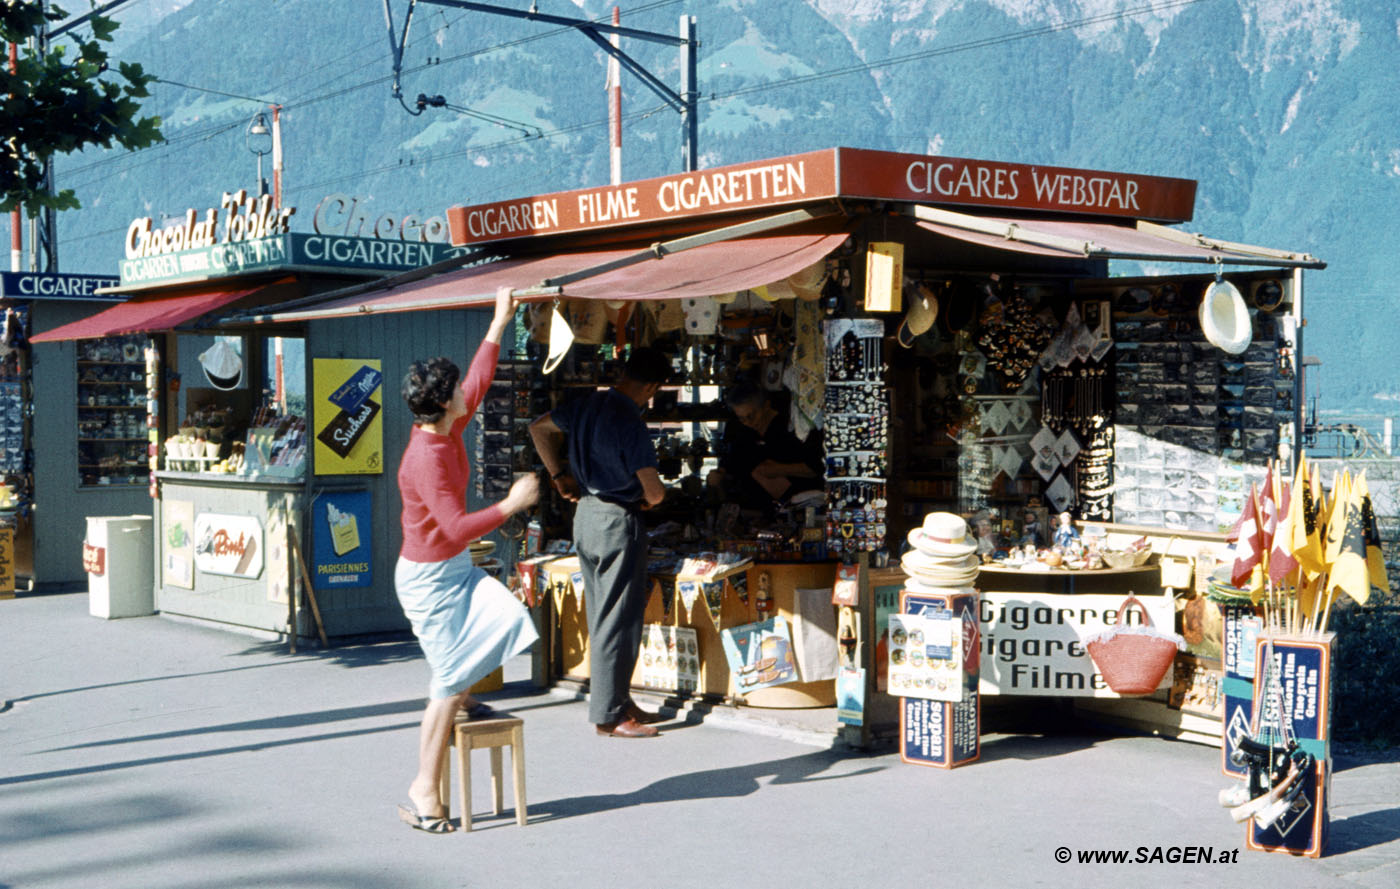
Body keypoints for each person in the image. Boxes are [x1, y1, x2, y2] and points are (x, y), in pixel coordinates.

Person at [394, 285, 541, 834]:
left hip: (450, 568)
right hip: (428, 581)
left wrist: (498, 322)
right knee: (448, 680)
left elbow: (477, 381)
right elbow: (455, 526)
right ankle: (423, 791)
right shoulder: (426, 459)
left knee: (507, 617)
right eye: (456, 390)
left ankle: (460, 695)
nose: (466, 394)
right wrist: (511, 504)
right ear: (443, 402)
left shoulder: (446, 423)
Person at [529, 347, 670, 738]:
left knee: (602, 614)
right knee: (618, 619)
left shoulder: (589, 403)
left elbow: (538, 428)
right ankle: (610, 715)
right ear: (651, 386)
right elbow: (654, 493)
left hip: (586, 516)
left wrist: (559, 475)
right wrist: (650, 499)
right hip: (617, 520)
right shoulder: (629, 419)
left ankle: (619, 700)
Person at [710, 382, 823, 507]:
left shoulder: (793, 427)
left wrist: (779, 469)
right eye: (741, 418)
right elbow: (731, 461)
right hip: (761, 512)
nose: (748, 422)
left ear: (766, 406)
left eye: (751, 416)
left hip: (806, 504)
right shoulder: (743, 433)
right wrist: (718, 475)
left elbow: (817, 466)